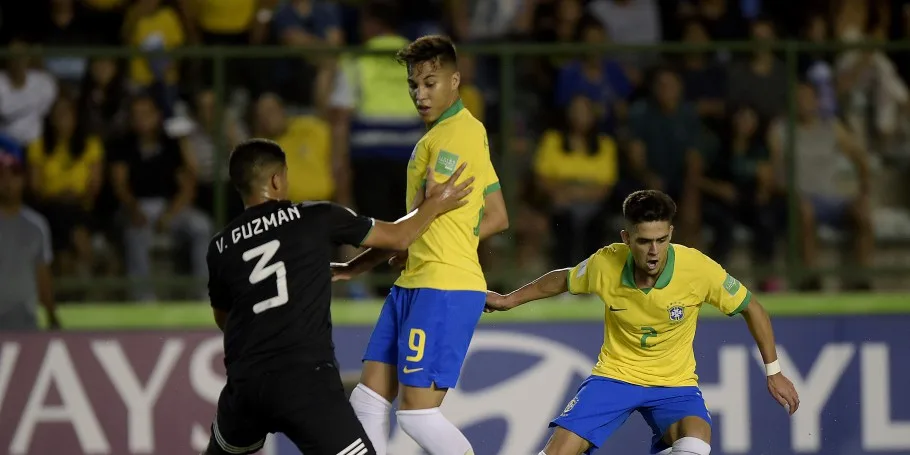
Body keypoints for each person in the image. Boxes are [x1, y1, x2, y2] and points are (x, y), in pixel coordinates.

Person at [201, 138, 474, 455]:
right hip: (304, 381)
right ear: (277, 179)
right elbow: (399, 237)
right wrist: (436, 204)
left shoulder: (220, 247)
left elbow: (225, 319)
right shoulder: (315, 216)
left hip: (245, 385)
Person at [484, 190, 800, 455]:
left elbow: (752, 307)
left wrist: (774, 372)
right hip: (615, 377)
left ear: (671, 234)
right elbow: (562, 280)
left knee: (696, 442)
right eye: (644, 241)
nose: (653, 251)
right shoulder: (605, 263)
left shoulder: (699, 270)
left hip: (674, 386)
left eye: (661, 240)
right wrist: (508, 299)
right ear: (626, 237)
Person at [332, 35, 510, 455]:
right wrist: (436, 236)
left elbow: (419, 217)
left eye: (431, 83)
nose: (420, 94)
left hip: (442, 287)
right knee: (368, 399)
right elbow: (497, 216)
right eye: (414, 85)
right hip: (417, 281)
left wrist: (363, 262)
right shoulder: (464, 132)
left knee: (415, 413)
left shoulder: (451, 137)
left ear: (455, 81)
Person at [0, 147, 61, 331]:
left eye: (14, 175)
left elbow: (42, 275)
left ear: (23, 180)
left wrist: (52, 316)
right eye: (2, 175)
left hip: (25, 324)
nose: (8, 182)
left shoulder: (37, 225)